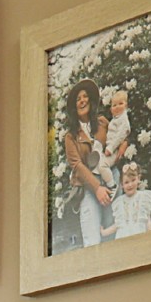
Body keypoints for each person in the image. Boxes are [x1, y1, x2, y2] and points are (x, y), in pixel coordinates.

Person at [58, 79, 112, 249]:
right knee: (92, 241)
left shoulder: (103, 123)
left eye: (85, 96)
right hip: (89, 188)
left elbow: (115, 143)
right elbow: (77, 166)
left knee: (116, 233)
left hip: (111, 182)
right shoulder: (70, 137)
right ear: (75, 107)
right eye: (78, 99)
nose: (82, 101)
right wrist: (97, 188)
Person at [110, 155, 151, 239]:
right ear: (122, 185)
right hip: (123, 237)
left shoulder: (143, 197)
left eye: (133, 180)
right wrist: (104, 232)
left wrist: (150, 236)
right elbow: (117, 225)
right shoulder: (119, 202)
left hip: (140, 235)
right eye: (126, 182)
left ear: (138, 178)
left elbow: (147, 219)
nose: (130, 185)